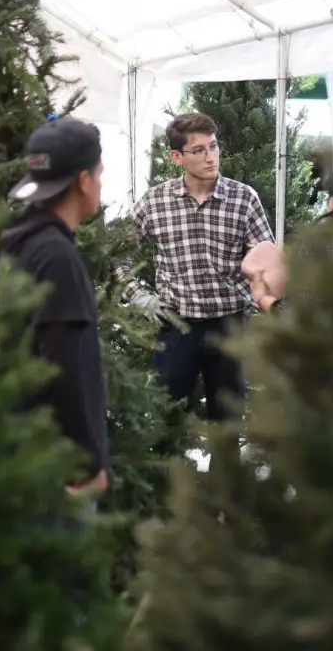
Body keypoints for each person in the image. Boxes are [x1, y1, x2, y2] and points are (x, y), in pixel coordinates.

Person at [118, 112, 277, 422]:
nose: (210, 157)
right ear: (177, 156)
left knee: (229, 419)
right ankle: (167, 471)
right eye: (199, 150)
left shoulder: (244, 199)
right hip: (177, 326)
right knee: (166, 416)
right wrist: (138, 295)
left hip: (230, 325)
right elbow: (116, 251)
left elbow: (266, 262)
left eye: (213, 147)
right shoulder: (155, 202)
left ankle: (225, 473)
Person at [2, 117, 108, 495]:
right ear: (83, 181)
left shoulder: (21, 243)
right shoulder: (56, 258)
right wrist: (85, 465)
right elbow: (65, 368)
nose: (99, 182)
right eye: (99, 173)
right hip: (55, 473)